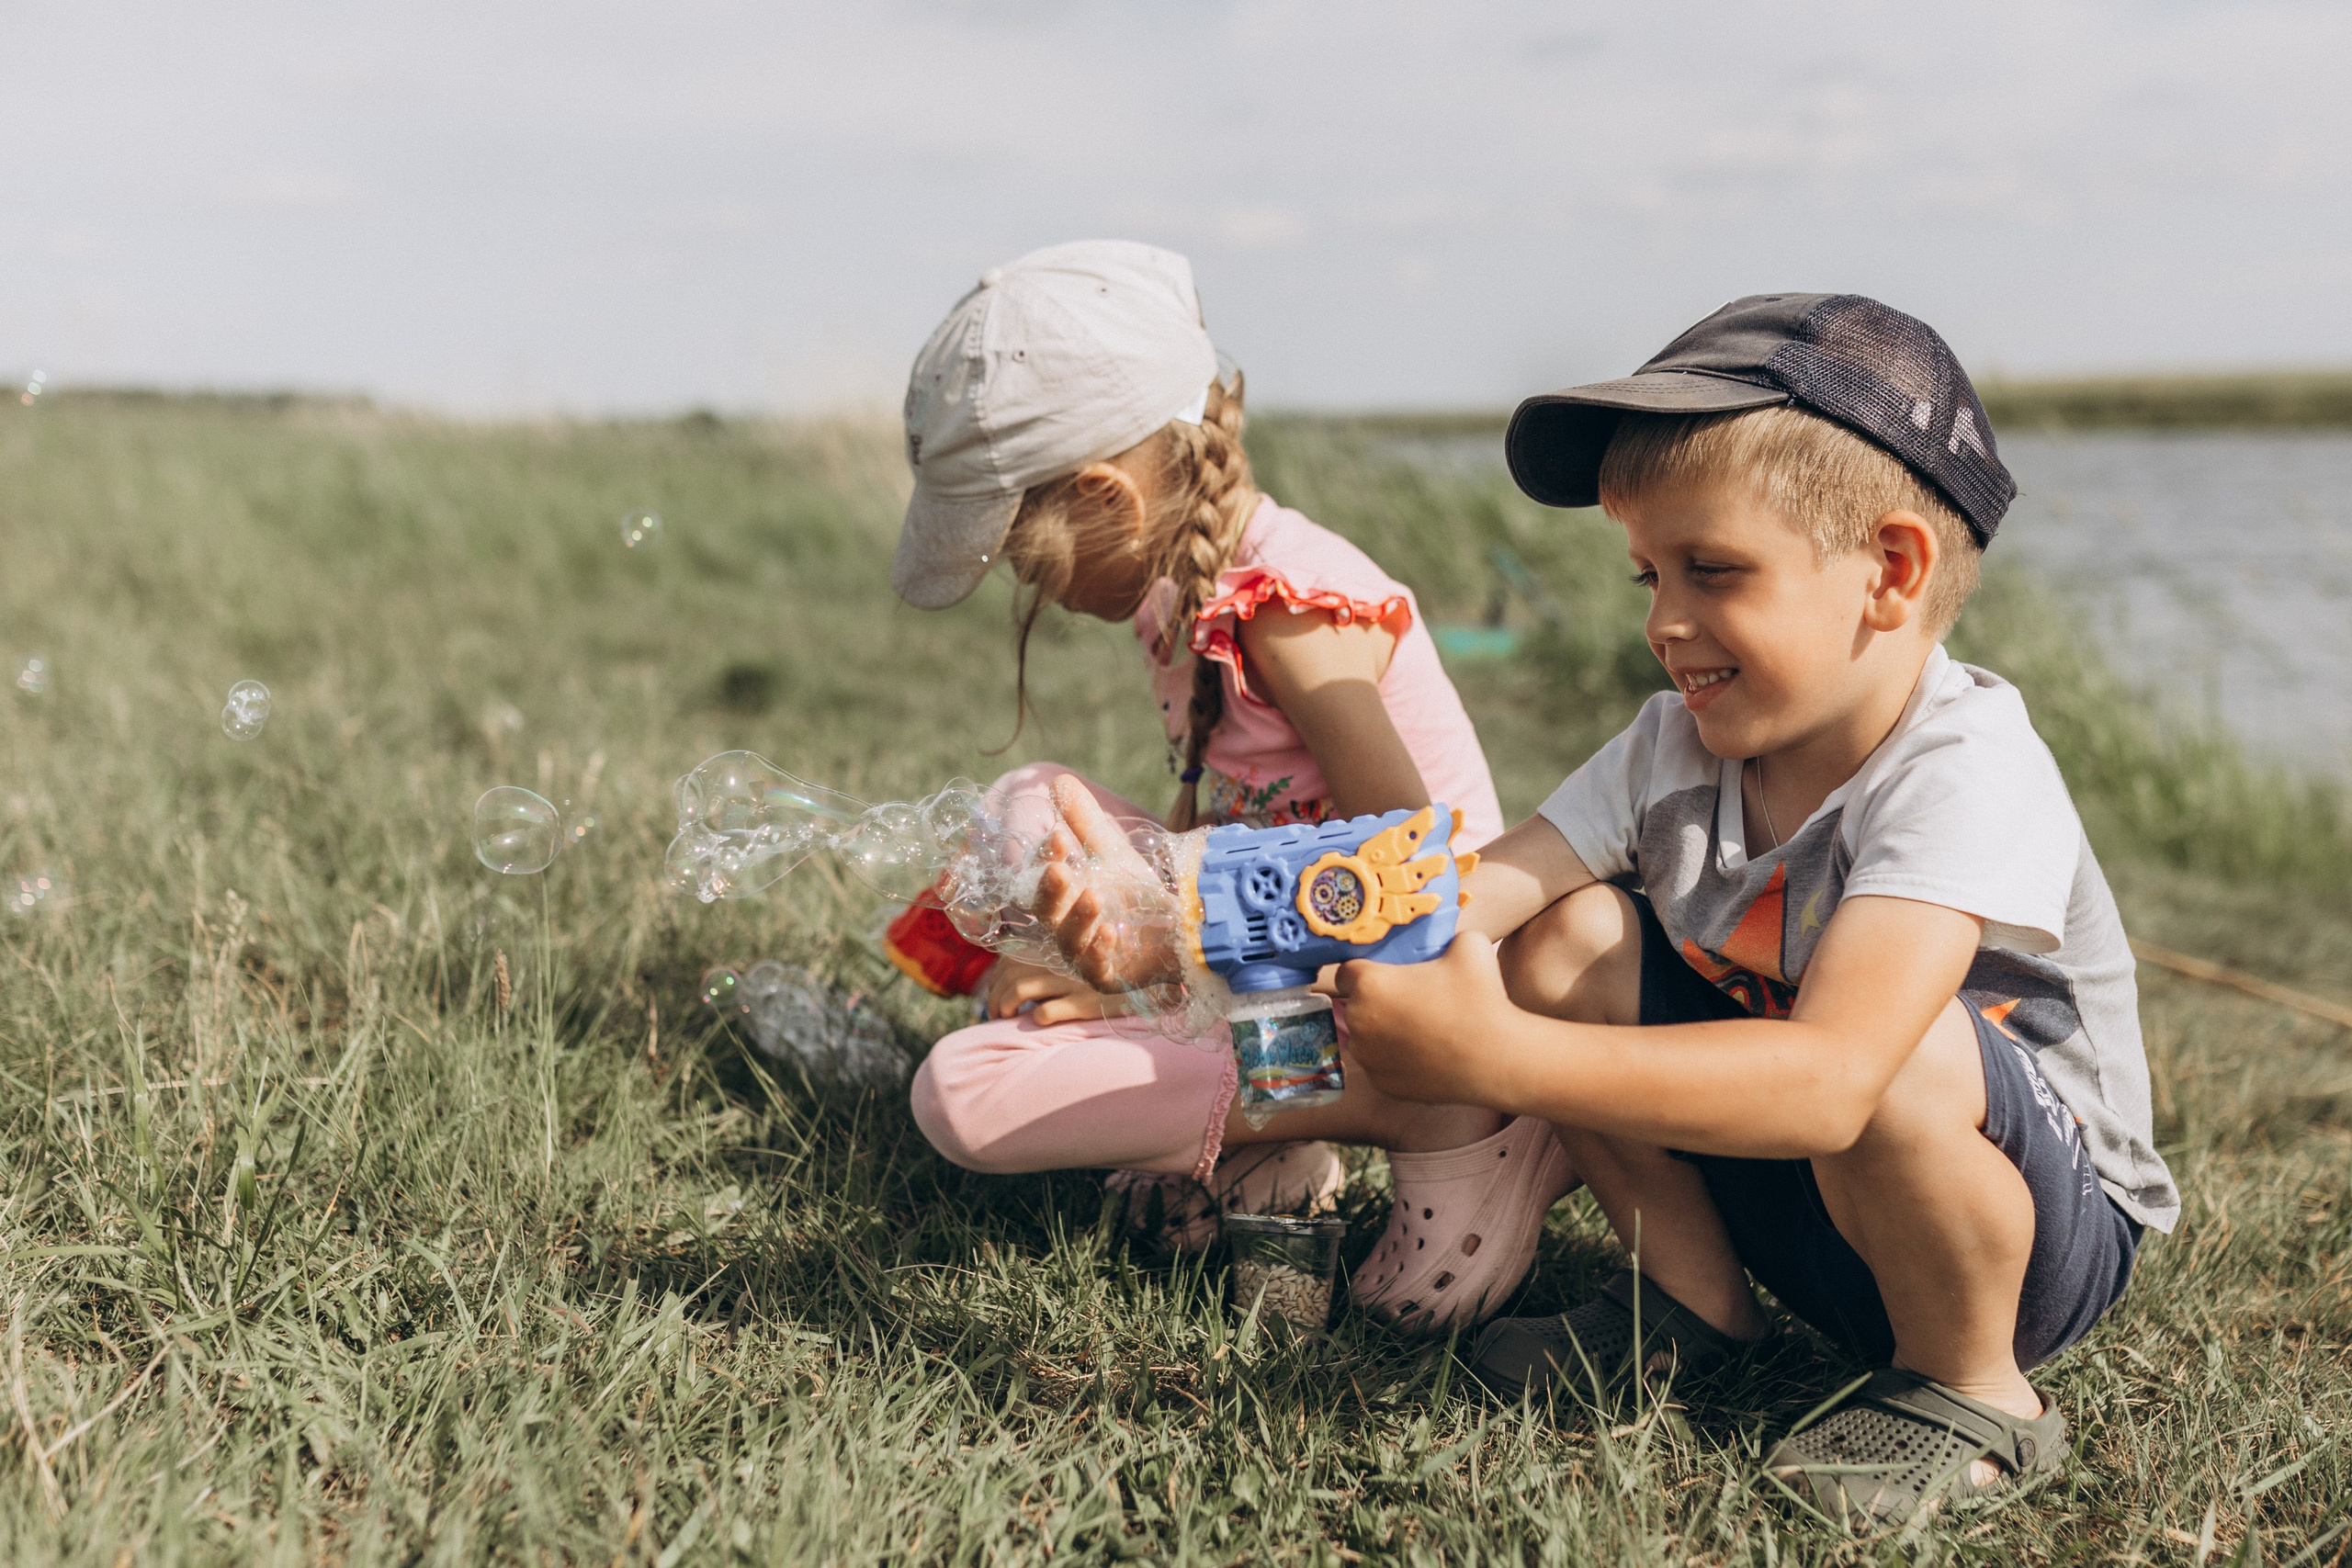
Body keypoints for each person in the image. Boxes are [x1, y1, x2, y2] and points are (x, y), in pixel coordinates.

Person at [1036, 294, 2176, 1527]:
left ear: (1889, 572)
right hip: (1810, 1189)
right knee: (1567, 936)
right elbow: (1460, 894)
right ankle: (1693, 1307)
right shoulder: (1672, 745)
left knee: (1895, 1055)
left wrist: (1501, 1056)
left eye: (1713, 570)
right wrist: (1205, 914)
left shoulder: (1965, 767)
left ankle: (1974, 1393)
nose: (1663, 621)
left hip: (2020, 1243)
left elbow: (1837, 1080)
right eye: (1648, 573)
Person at [892, 240, 1574, 1321]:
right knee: (1022, 810)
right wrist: (1129, 958)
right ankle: (1258, 1116)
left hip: (1413, 1004)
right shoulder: (1179, 592)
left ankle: (1407, 1118)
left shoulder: (1293, 613)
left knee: (962, 1096)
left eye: (1026, 562)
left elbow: (1412, 864)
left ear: (1108, 500)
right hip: (1285, 975)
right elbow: (1233, 828)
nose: (1032, 591)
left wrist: (1154, 960)